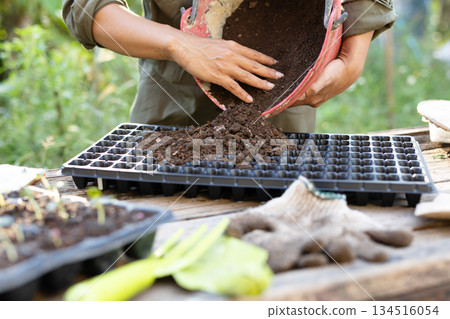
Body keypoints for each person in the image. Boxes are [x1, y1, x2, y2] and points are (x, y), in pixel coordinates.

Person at [62, 0, 397, 132]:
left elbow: (361, 7)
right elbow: (87, 9)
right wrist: (180, 45)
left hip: (284, 101)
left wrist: (350, 61)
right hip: (173, 110)